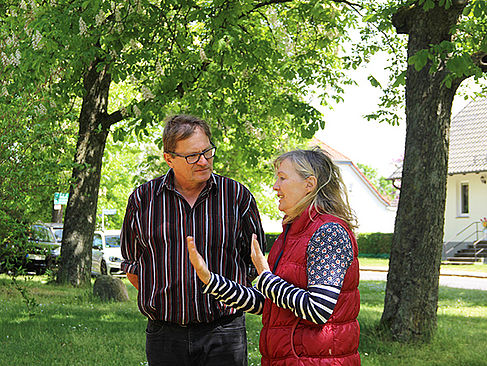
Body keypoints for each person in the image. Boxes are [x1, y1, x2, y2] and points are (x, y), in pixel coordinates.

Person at [187, 148, 361, 365]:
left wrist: (266, 277)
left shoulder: (328, 232)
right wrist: (210, 279)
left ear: (309, 184)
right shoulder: (290, 234)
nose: (275, 186)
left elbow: (319, 308)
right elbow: (269, 303)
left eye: (282, 178)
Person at [120, 114, 265, 366]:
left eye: (207, 152)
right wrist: (164, 297)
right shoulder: (143, 200)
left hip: (224, 332)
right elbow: (133, 264)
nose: (203, 161)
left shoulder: (236, 196)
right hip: (164, 334)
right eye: (192, 156)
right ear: (169, 159)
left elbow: (256, 262)